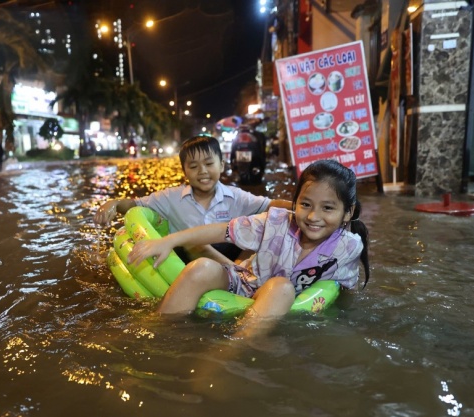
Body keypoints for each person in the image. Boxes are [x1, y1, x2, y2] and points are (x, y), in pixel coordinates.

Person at [127, 159, 370, 324]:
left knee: (281, 287)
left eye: (327, 208)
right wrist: (168, 241)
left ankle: (229, 356)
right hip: (244, 282)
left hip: (279, 299)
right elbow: (221, 231)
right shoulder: (276, 222)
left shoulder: (347, 248)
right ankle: (156, 331)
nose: (313, 216)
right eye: (305, 205)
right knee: (200, 266)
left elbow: (345, 291)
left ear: (347, 213)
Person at [94, 135, 292, 263]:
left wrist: (303, 207)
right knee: (194, 242)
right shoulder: (170, 198)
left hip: (229, 258)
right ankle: (237, 275)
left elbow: (271, 205)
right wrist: (114, 203)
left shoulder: (236, 197)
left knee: (263, 231)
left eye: (208, 163)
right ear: (184, 171)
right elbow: (135, 205)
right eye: (194, 166)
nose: (203, 172)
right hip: (191, 260)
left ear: (222, 165)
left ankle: (238, 273)